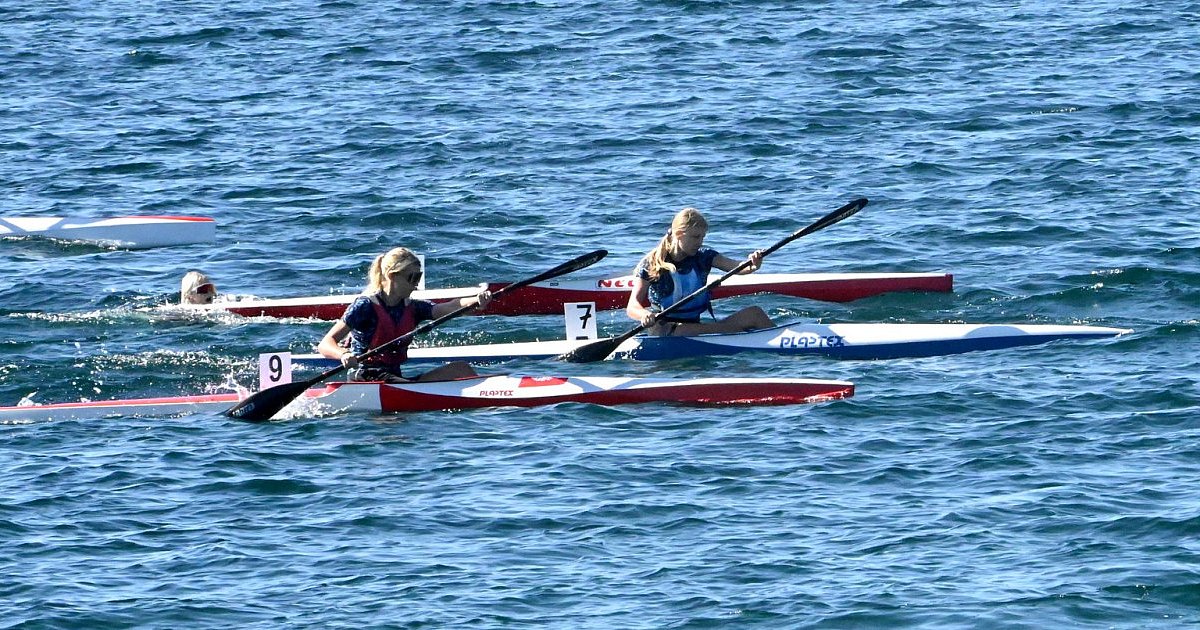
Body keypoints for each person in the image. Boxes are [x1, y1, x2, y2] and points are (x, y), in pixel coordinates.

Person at [317, 247, 492, 382]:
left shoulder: (413, 308)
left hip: (395, 378)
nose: (416, 284)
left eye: (419, 277)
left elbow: (447, 307)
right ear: (392, 276)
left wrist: (476, 300)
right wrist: (344, 355)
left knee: (461, 369)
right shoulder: (365, 305)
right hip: (365, 377)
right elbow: (325, 344)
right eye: (412, 278)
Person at [626, 207, 774, 336]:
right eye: (695, 237)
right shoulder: (651, 263)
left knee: (755, 314)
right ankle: (735, 333)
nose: (700, 242)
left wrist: (753, 265)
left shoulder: (704, 256)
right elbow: (632, 306)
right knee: (683, 331)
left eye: (702, 237)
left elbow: (738, 267)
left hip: (697, 327)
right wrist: (645, 314)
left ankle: (783, 342)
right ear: (678, 234)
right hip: (668, 330)